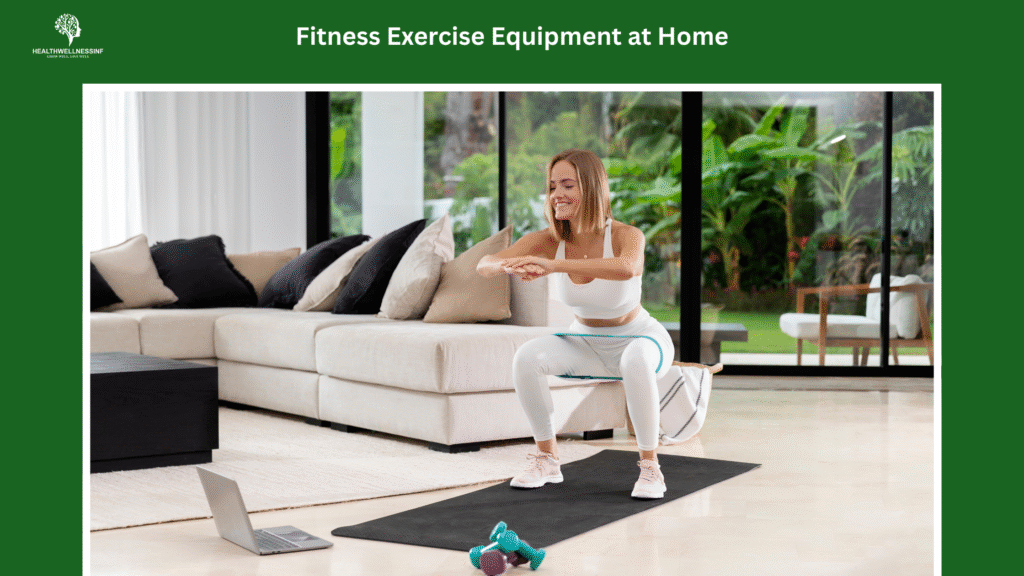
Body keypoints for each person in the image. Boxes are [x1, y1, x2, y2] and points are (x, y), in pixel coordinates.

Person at [476, 148, 674, 499]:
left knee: (635, 360)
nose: (557, 195)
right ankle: (547, 459)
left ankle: (650, 468)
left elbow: (626, 268)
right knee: (526, 358)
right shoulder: (548, 240)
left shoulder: (627, 235)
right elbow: (484, 264)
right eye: (553, 186)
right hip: (585, 342)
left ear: (592, 188)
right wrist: (510, 265)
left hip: (639, 339)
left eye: (568, 185)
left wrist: (553, 266)